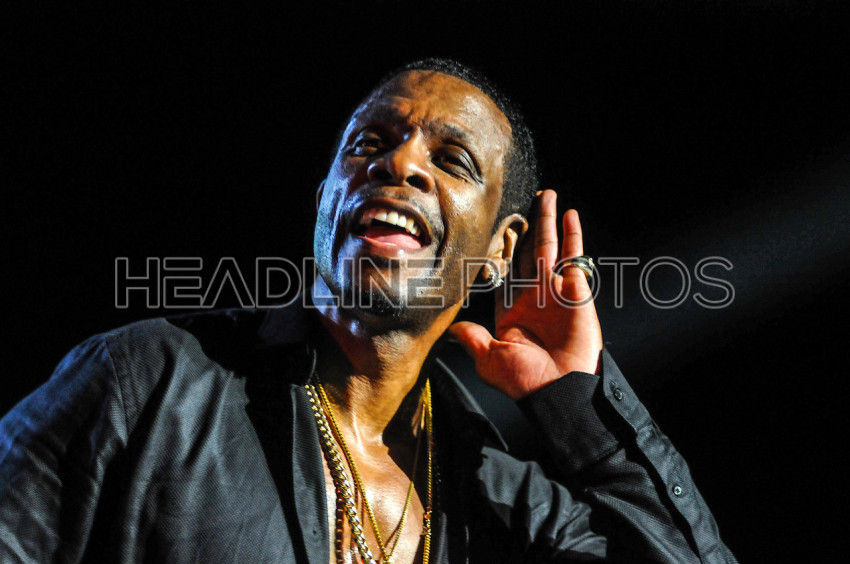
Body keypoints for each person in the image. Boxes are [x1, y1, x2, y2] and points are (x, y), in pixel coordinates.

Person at [0, 59, 736, 563]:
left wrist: (581, 406)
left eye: (452, 161)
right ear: (326, 198)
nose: (401, 163)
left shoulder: (503, 505)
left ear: (497, 251)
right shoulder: (146, 383)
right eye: (370, 143)